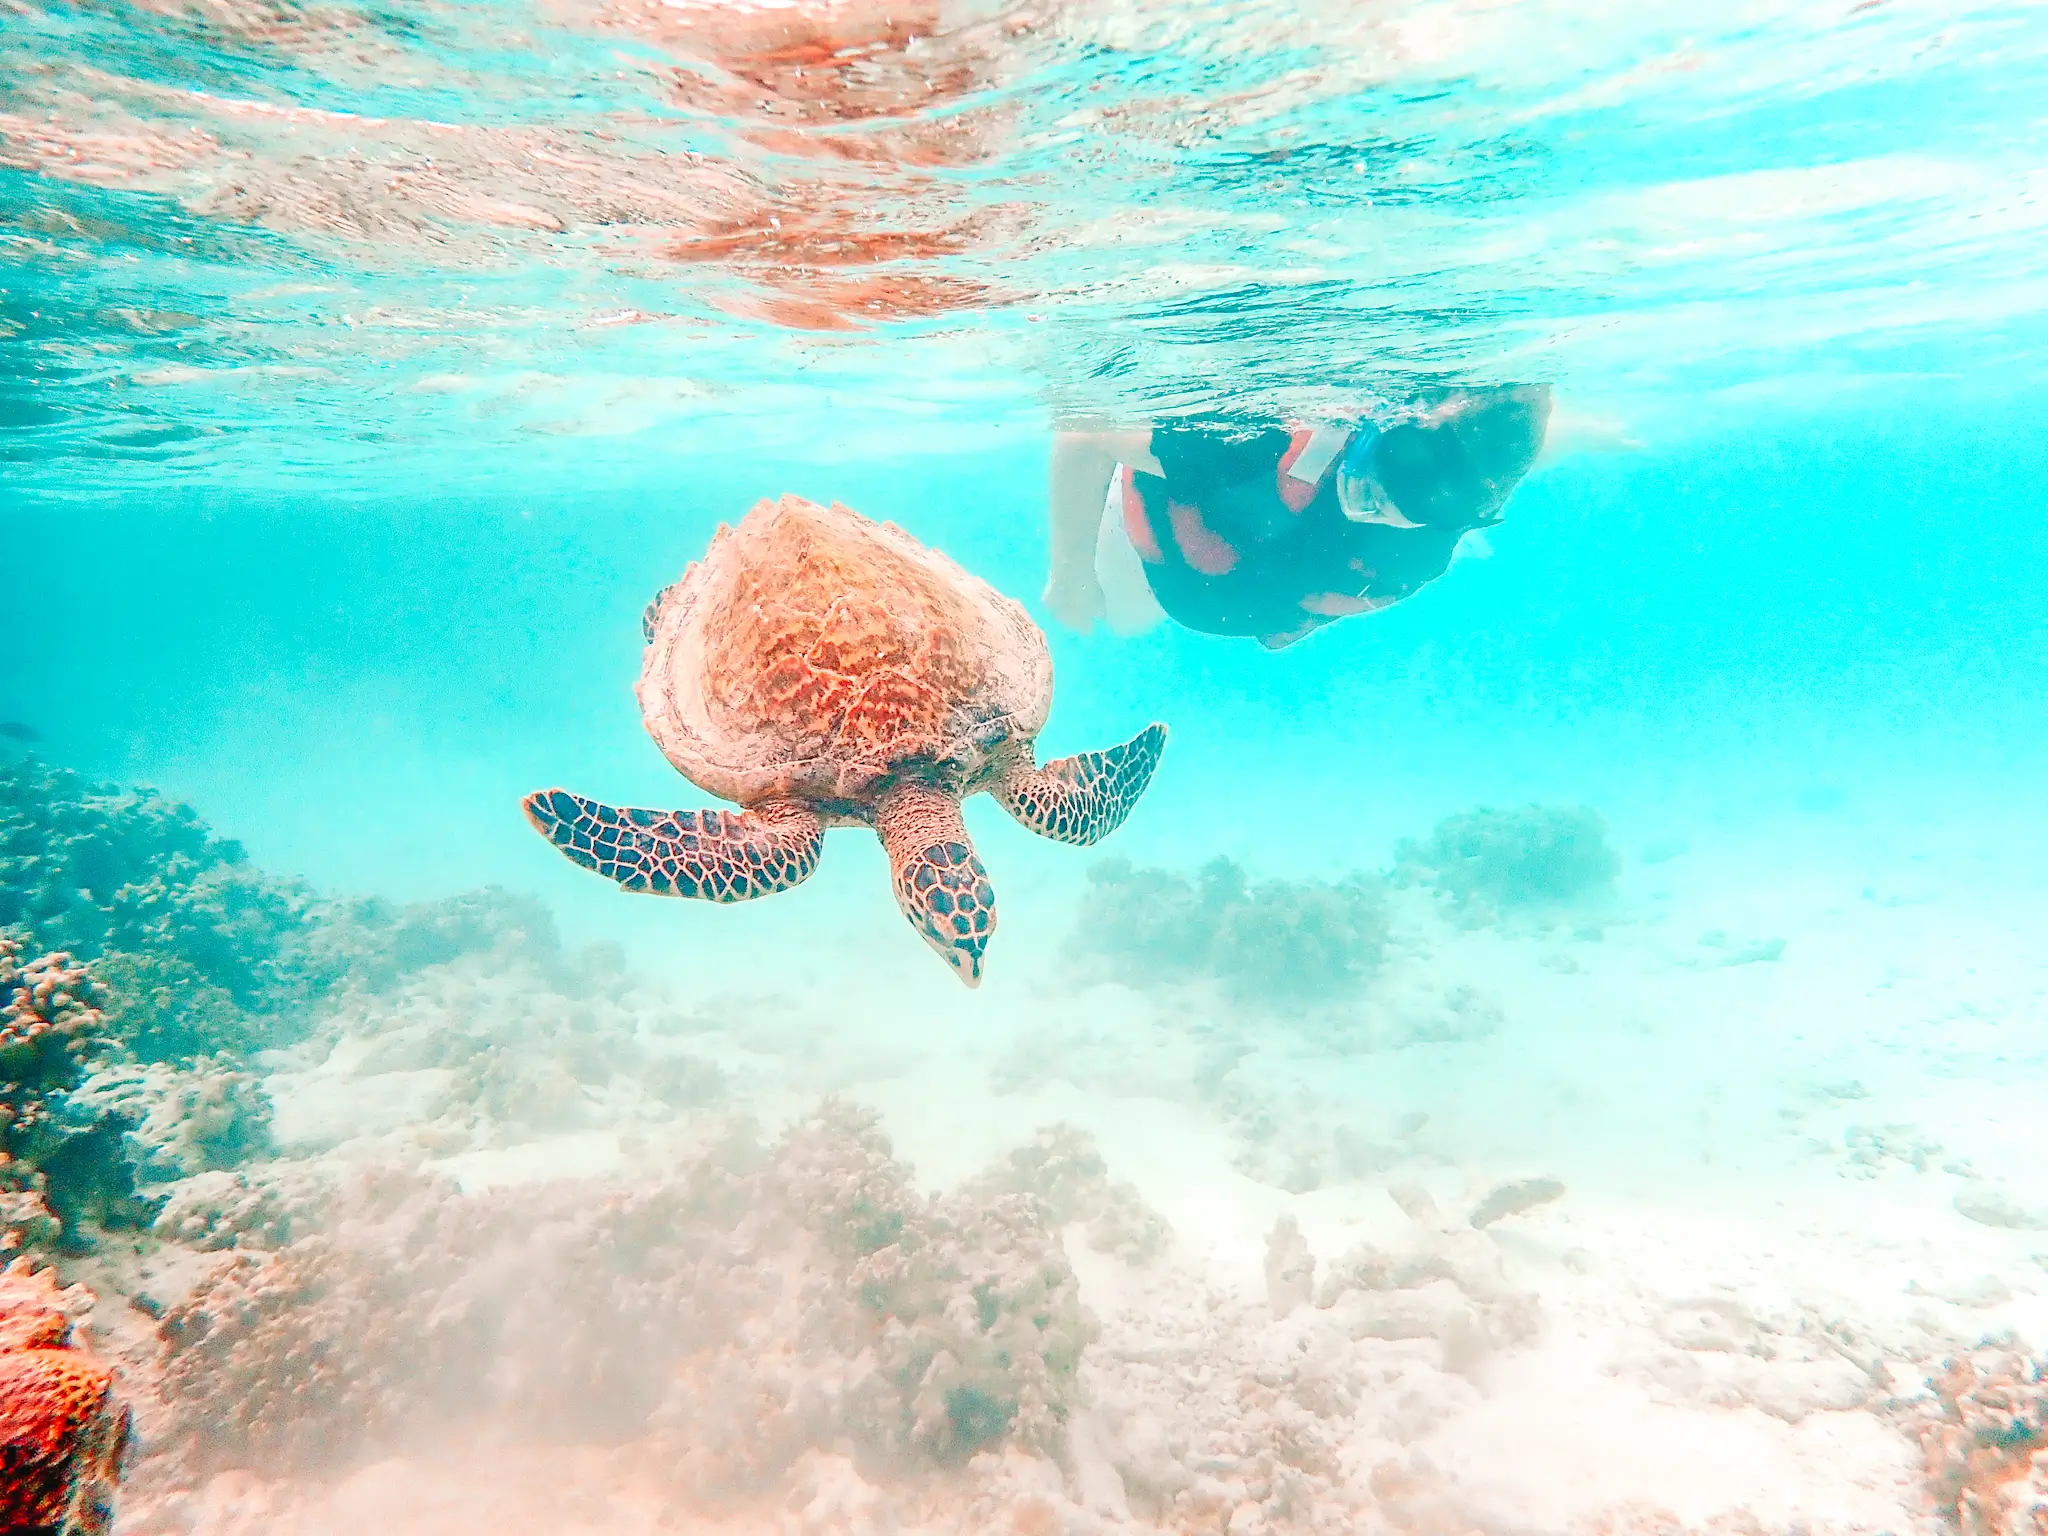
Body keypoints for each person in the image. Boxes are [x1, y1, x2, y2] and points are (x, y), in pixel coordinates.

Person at [1042, 385, 1573, 648]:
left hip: (1232, 587)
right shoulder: (1256, 449)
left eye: (1394, 515)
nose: (1368, 515)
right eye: (1365, 489)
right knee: (1122, 621)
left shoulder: (1433, 533)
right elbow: (1085, 431)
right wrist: (1071, 572)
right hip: (1153, 535)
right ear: (1363, 435)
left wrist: (1285, 617)